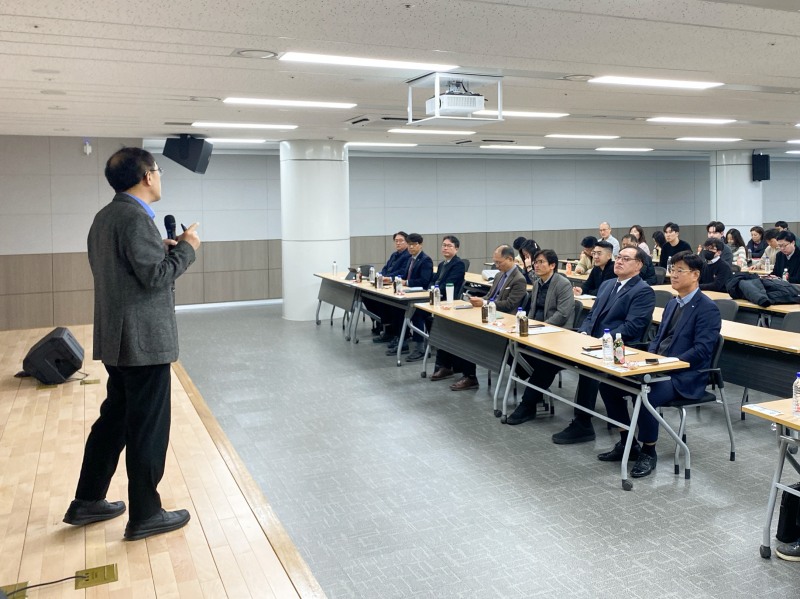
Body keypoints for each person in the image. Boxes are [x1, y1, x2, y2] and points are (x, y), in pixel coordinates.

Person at [63, 147, 198, 541]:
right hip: (143, 342)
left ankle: (87, 500)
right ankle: (146, 513)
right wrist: (187, 247)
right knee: (148, 428)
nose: (160, 176)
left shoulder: (105, 217)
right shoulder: (136, 219)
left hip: (118, 337)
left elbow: (131, 271)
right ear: (146, 176)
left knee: (116, 421)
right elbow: (156, 278)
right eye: (157, 170)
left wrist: (163, 250)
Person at [597, 251, 720, 478]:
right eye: (672, 270)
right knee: (609, 384)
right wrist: (649, 359)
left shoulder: (707, 308)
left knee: (646, 395)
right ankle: (627, 442)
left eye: (679, 271)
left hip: (684, 374)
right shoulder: (673, 303)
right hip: (657, 367)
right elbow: (658, 338)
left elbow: (702, 350)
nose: (673, 275)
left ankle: (648, 450)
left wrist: (667, 363)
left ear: (695, 275)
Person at [552, 246, 656, 444]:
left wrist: (601, 340)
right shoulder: (608, 284)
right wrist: (584, 332)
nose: (619, 261)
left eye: (626, 259)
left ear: (639, 265)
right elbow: (592, 316)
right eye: (619, 258)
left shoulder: (643, 291)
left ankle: (583, 423)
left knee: (591, 368)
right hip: (594, 342)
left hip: (619, 348)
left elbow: (632, 327)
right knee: (551, 354)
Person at [432, 245, 526, 390]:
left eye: (499, 262)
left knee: (468, 335)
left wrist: (485, 302)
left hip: (504, 319)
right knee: (450, 325)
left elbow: (509, 305)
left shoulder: (519, 279)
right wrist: (479, 299)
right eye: (495, 262)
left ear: (510, 259)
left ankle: (470, 377)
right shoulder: (499, 275)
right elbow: (490, 296)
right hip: (489, 313)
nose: (496, 265)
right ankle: (447, 365)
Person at [506, 249, 576, 425]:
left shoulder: (563, 284)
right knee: (508, 349)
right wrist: (526, 324)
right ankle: (537, 389)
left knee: (545, 362)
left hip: (556, 335)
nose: (536, 265)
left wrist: (539, 328)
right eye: (535, 262)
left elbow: (562, 314)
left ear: (552, 265)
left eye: (541, 262)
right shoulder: (537, 283)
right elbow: (532, 310)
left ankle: (528, 404)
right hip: (536, 332)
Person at [406, 235, 465, 362]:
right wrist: (429, 289)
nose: (445, 248)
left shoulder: (458, 264)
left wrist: (432, 290)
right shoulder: (442, 264)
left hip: (446, 300)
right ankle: (430, 341)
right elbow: (433, 280)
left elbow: (449, 284)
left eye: (449, 246)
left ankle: (421, 348)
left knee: (417, 313)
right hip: (434, 297)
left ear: (457, 249)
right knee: (415, 311)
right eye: (443, 245)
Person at [384, 233, 434, 355]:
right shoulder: (411, 259)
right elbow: (404, 276)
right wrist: (393, 280)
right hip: (409, 295)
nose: (411, 247)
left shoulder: (425, 260)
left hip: (422, 297)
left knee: (415, 314)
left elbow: (424, 281)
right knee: (396, 308)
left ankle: (419, 348)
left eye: (414, 245)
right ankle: (403, 341)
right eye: (410, 245)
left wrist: (406, 282)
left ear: (420, 245)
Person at [370, 232, 411, 342]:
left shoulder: (408, 256)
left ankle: (390, 331)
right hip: (386, 282)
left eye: (401, 241)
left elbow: (402, 273)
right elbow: (385, 268)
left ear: (407, 242)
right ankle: (385, 326)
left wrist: (388, 278)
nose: (398, 243)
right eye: (396, 241)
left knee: (386, 302)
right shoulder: (394, 255)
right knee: (369, 297)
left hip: (395, 284)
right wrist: (381, 275)